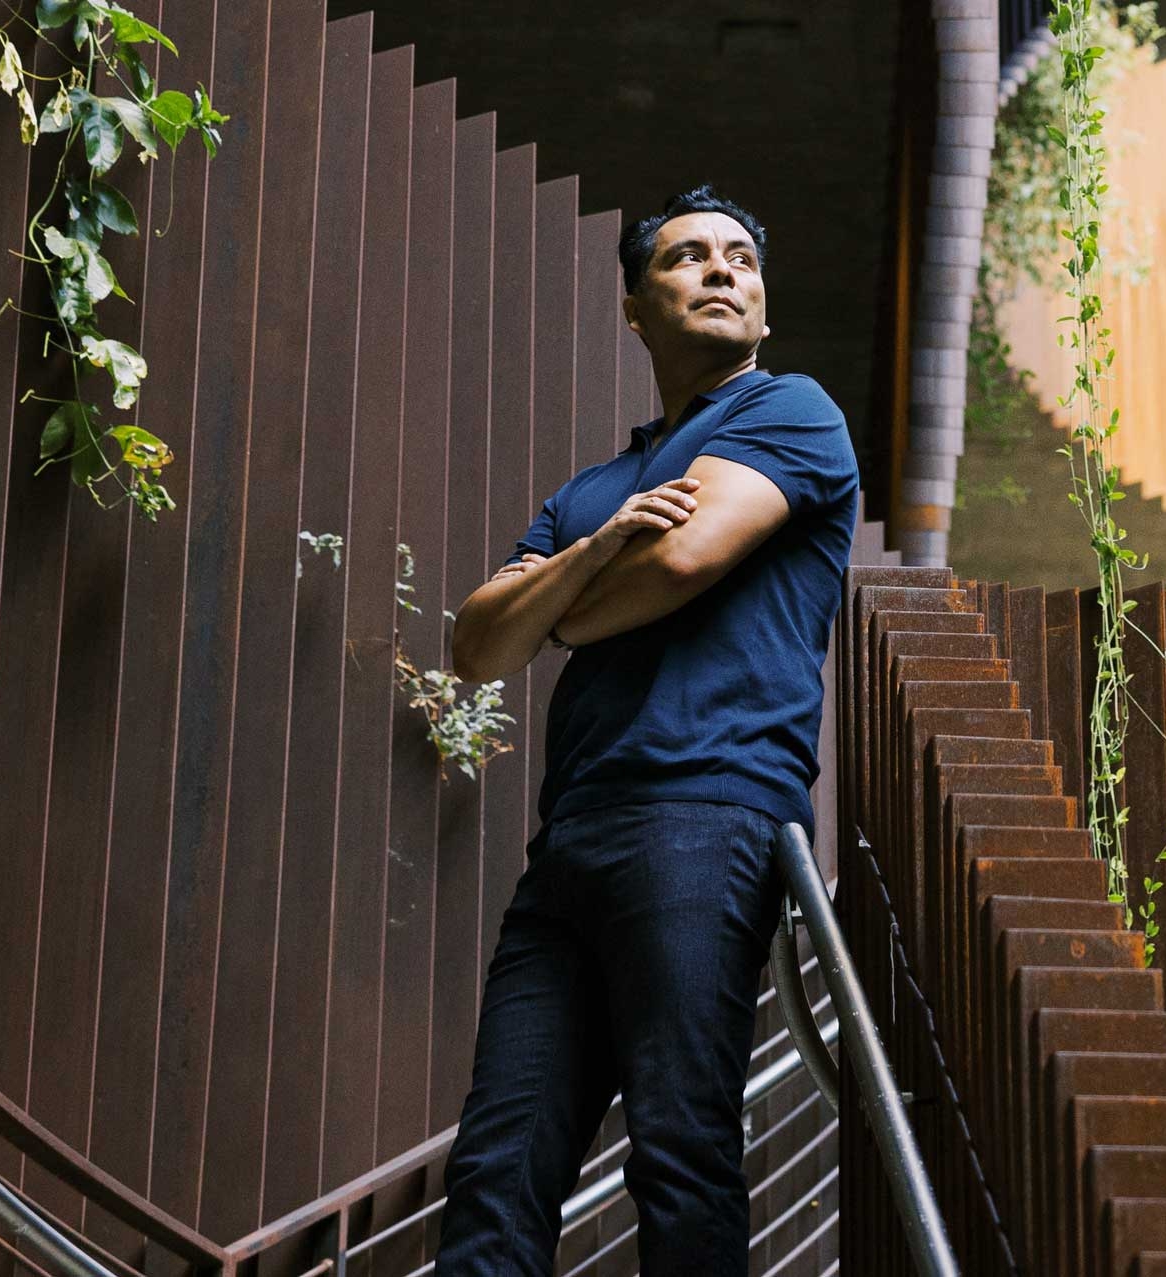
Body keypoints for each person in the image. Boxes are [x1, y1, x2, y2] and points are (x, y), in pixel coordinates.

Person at [432, 185, 859, 1274]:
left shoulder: (791, 411)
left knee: (677, 1145)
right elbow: (476, 650)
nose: (722, 270)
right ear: (634, 305)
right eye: (686, 257)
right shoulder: (596, 489)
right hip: (571, 838)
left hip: (704, 812)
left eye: (740, 259)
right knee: (495, 1169)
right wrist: (597, 546)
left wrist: (556, 602)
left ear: (762, 303)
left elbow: (674, 565)